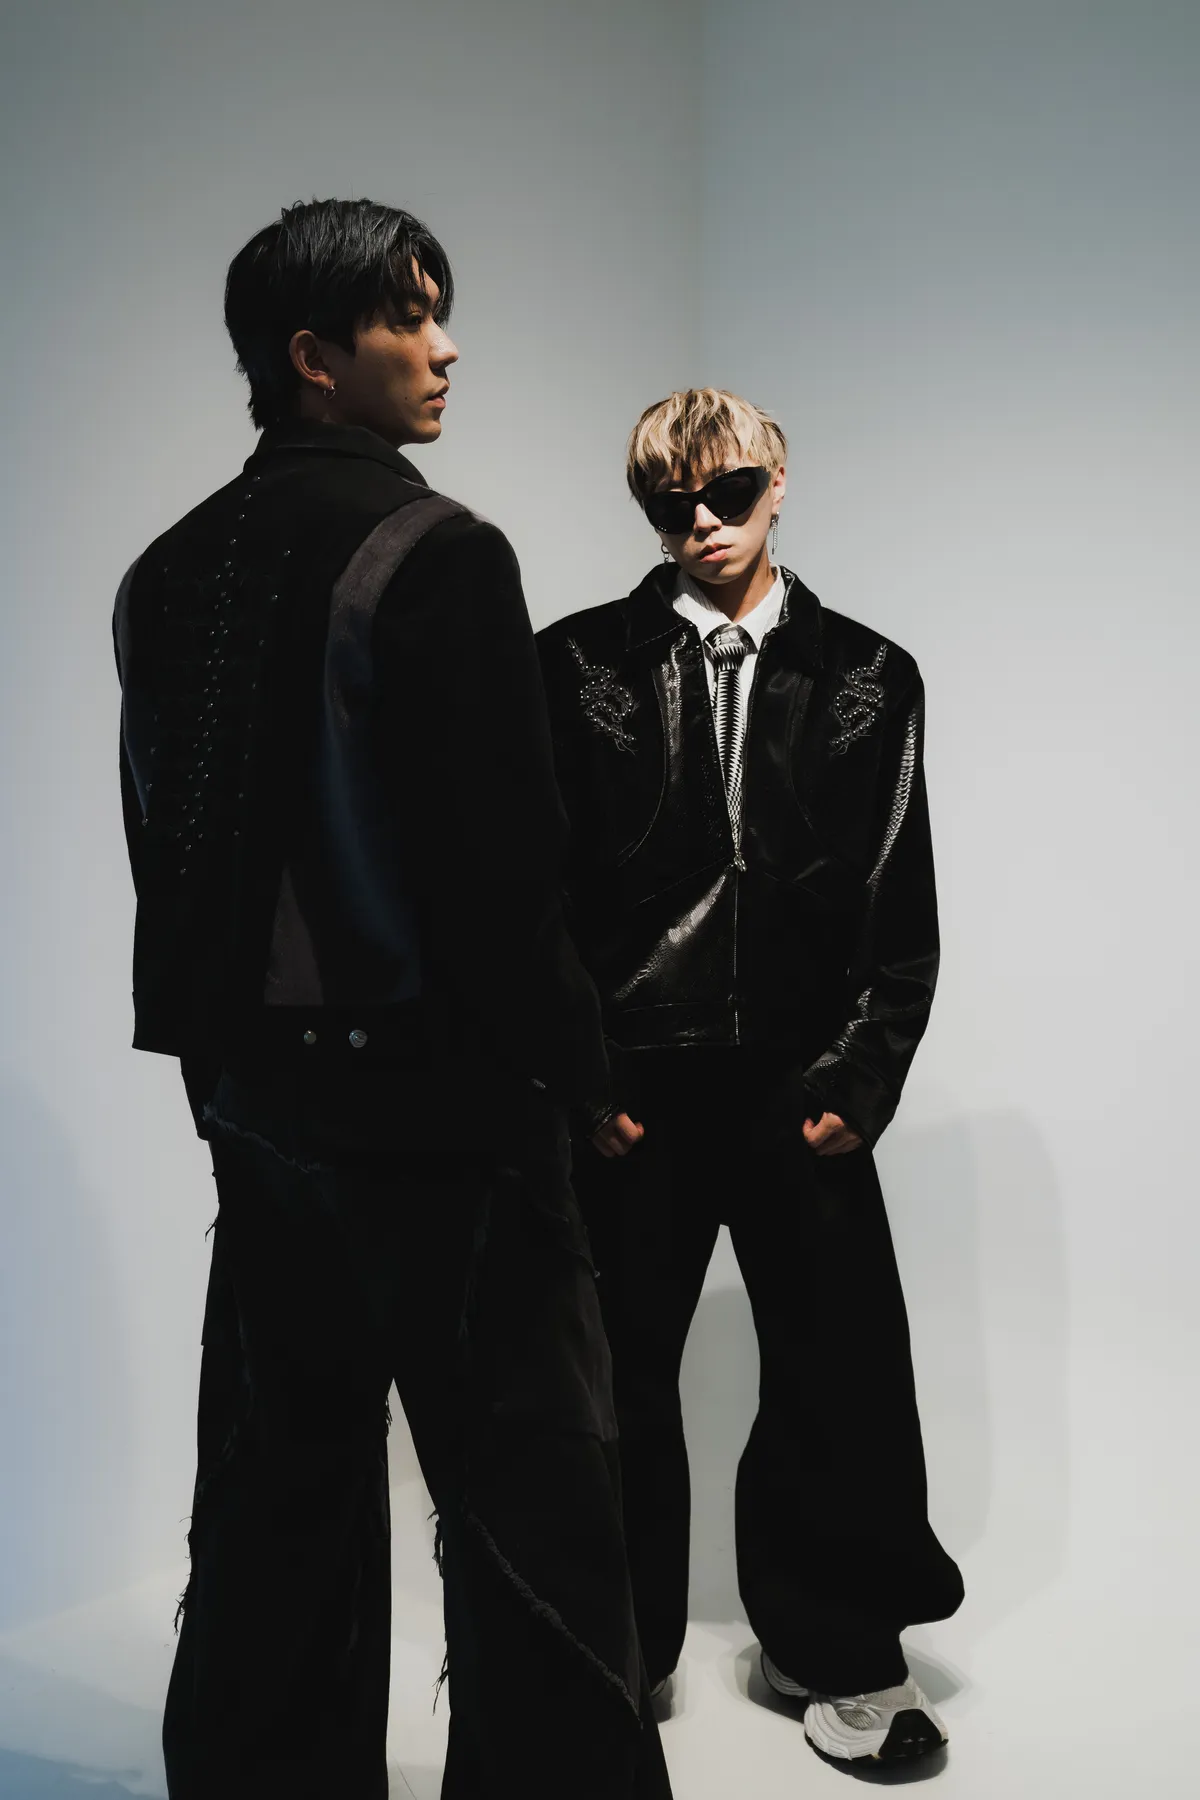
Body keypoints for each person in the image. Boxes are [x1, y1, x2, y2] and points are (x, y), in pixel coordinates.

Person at [113, 197, 671, 1800]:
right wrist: (582, 1080)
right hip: (452, 1124)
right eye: (410, 318)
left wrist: (222, 1081)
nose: (445, 348)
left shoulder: (164, 573)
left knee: (274, 1503)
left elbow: (165, 856)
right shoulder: (439, 553)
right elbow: (506, 878)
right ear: (313, 356)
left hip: (257, 1117)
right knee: (533, 1523)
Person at [535, 388, 965, 1766]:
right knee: (608, 1384)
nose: (703, 525)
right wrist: (581, 1081)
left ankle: (833, 1651)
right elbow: (534, 902)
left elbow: (900, 899)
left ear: (778, 480)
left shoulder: (870, 675)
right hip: (633, 1095)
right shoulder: (573, 666)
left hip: (802, 1087)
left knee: (839, 1378)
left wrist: (865, 1073)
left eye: (726, 493)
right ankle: (614, 1652)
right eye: (672, 506)